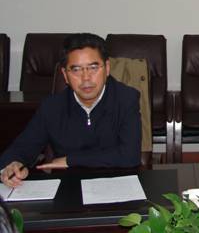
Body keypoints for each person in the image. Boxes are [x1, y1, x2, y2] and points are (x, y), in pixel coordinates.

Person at [0, 33, 141, 188]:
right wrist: (13, 164)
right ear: (65, 75)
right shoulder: (52, 107)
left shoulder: (126, 99)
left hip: (117, 185)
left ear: (107, 68)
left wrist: (70, 160)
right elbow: (22, 147)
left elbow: (130, 156)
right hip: (68, 187)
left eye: (93, 68)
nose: (86, 77)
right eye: (76, 70)